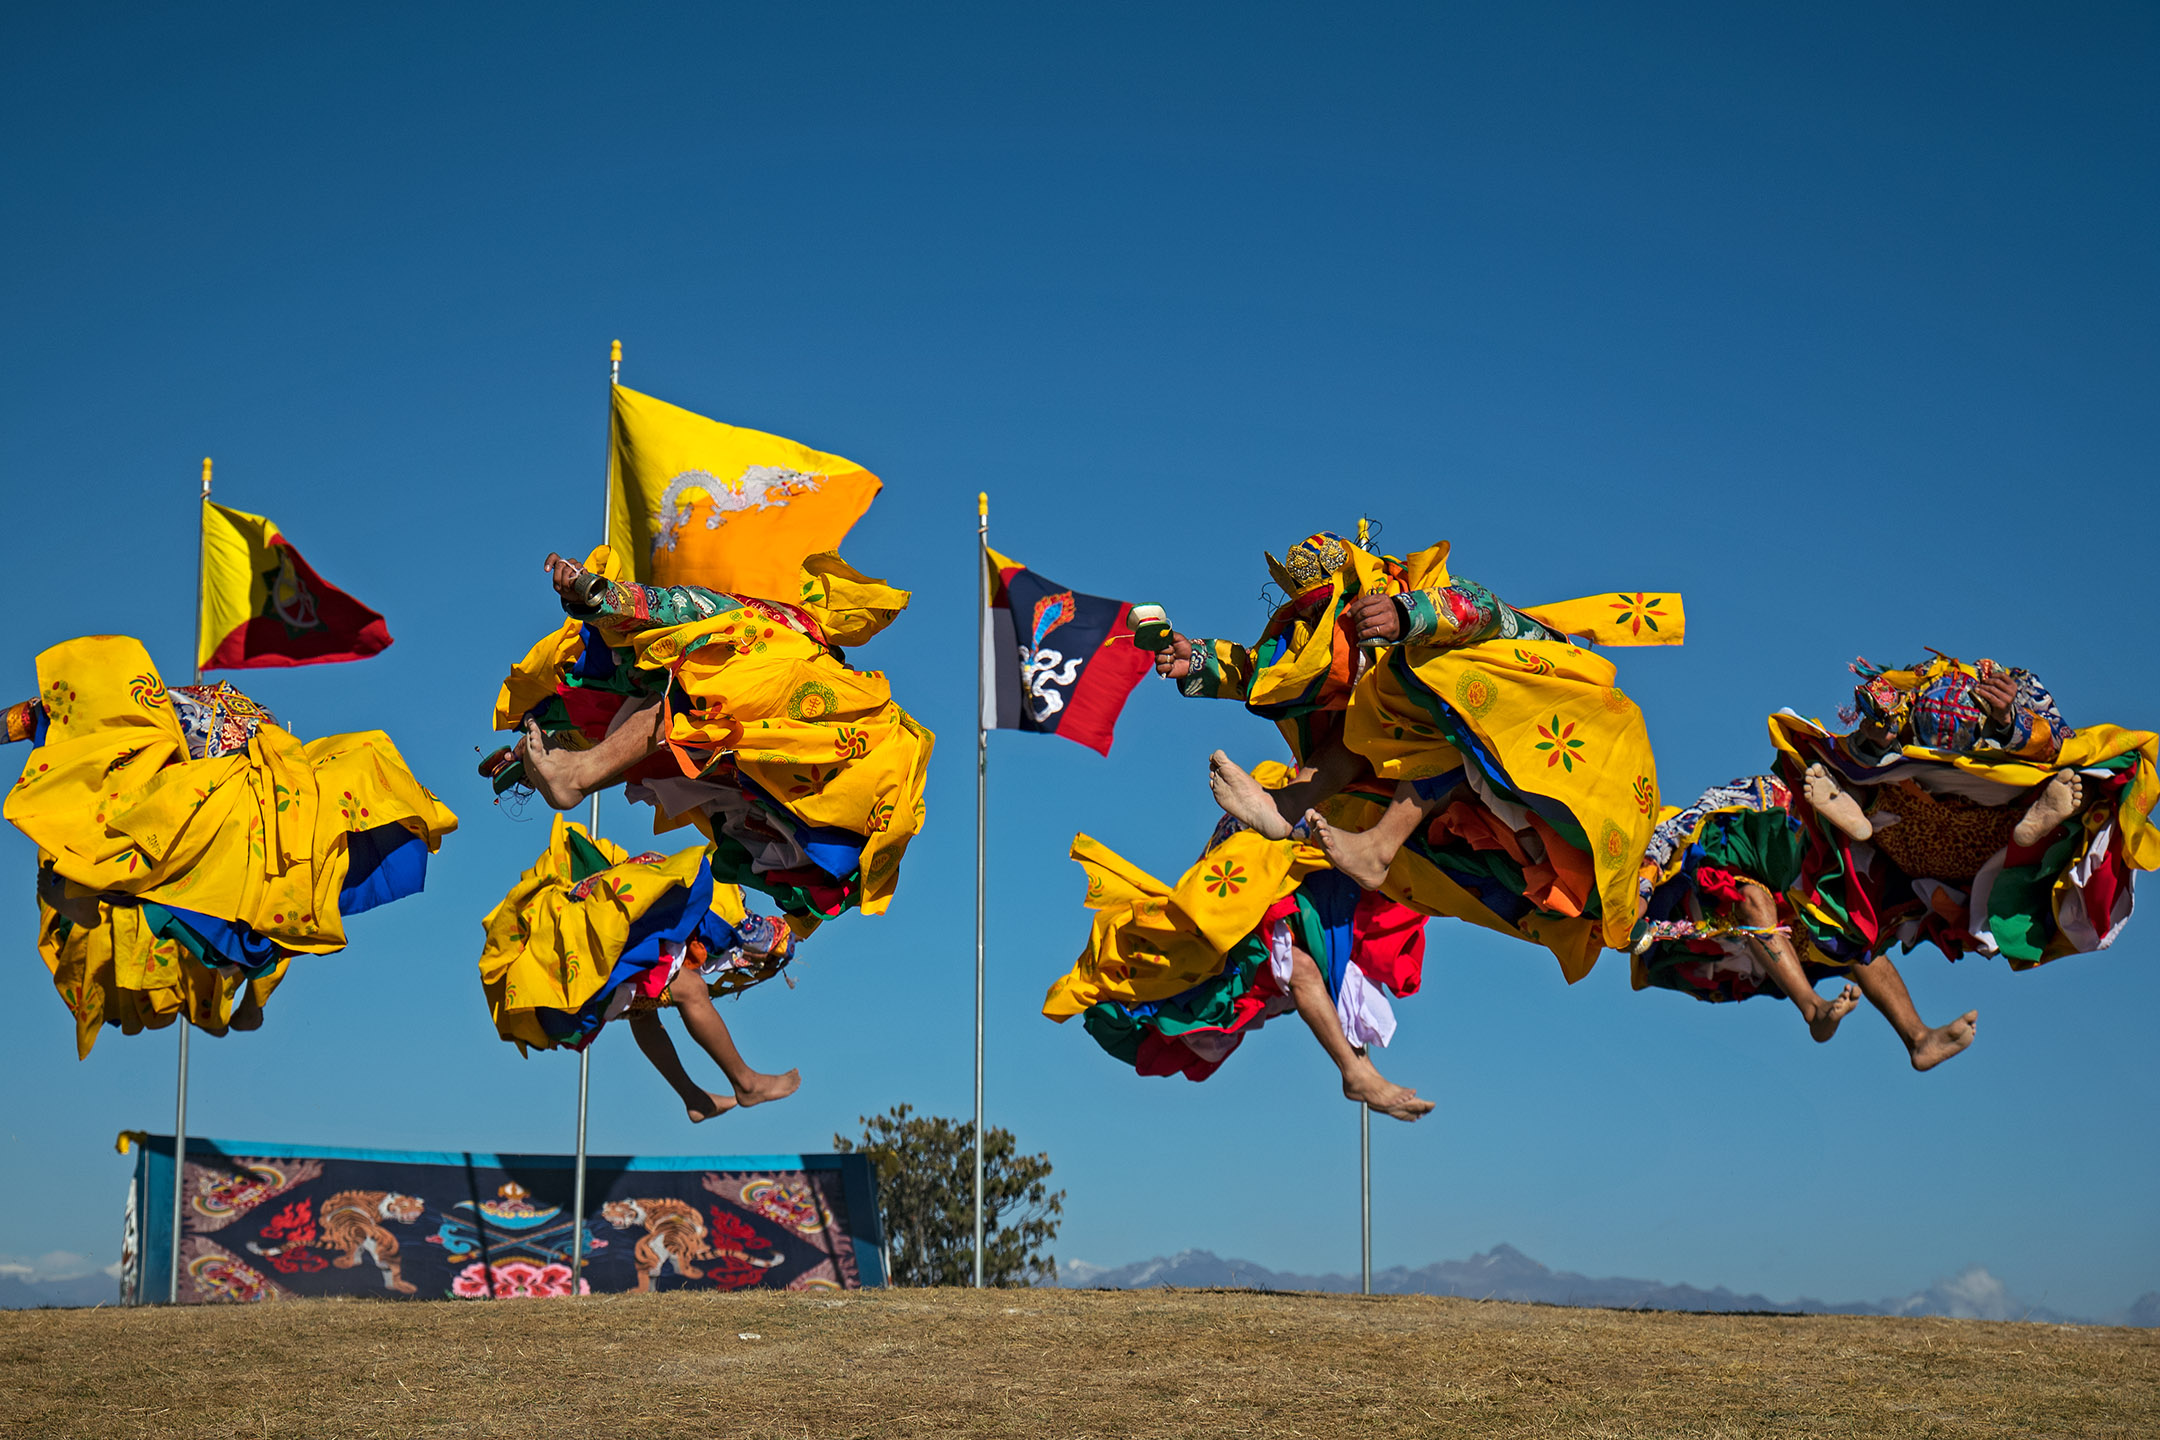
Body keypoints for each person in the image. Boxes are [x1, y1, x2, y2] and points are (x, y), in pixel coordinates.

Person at [1154, 529, 1681, 984]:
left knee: (1415, 678)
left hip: (1557, 754)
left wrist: (1412, 616)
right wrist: (1199, 660)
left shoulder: (1416, 599)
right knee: (1368, 709)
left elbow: (1487, 611)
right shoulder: (1339, 648)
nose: (1325, 627)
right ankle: (1293, 806)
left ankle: (1373, 845)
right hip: (1479, 805)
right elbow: (1297, 671)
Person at [4, 636, 457, 1056]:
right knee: (221, 884)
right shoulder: (149, 730)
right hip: (248, 805)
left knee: (169, 863)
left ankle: (204, 947)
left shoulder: (136, 730)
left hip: (235, 804)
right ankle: (225, 960)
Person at [483, 546, 934, 926]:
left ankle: (575, 774)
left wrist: (596, 595)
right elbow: (636, 716)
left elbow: (680, 605)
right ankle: (563, 765)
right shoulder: (825, 669)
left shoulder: (773, 631)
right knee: (682, 694)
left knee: (703, 680)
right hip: (820, 835)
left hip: (812, 814)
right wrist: (533, 750)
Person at [1041, 812, 1434, 1121]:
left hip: (1253, 926)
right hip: (1222, 942)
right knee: (1304, 971)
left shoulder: (1305, 800)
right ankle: (1356, 1073)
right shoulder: (1269, 800)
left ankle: (1358, 1070)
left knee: (1321, 969)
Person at [482, 815, 804, 1122]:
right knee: (690, 989)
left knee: (644, 1007)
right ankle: (746, 1084)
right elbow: (732, 929)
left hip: (566, 977)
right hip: (576, 968)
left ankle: (693, 1098)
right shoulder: (710, 902)